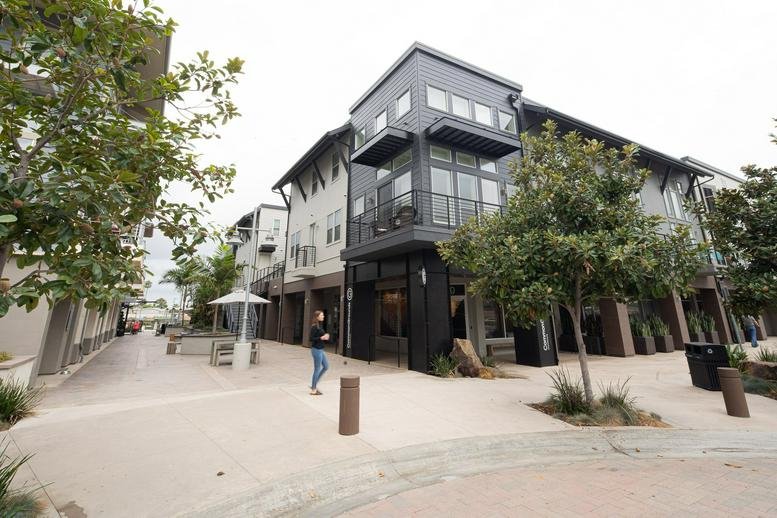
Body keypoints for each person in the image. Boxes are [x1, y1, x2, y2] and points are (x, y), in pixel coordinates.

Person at [309, 310, 330, 395]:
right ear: (317, 317)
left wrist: (326, 336)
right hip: (316, 350)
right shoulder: (314, 326)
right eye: (322, 315)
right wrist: (321, 338)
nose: (323, 316)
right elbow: (311, 339)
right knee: (317, 369)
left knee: (326, 366)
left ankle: (314, 383)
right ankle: (313, 389)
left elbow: (321, 336)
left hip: (321, 349)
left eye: (323, 315)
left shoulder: (319, 326)